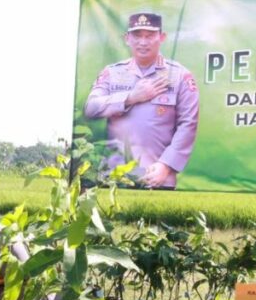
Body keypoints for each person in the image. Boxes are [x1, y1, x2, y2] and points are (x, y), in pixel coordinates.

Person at [84, 12, 199, 190]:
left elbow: (188, 125)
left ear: (161, 37)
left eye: (150, 36)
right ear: (127, 38)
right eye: (137, 36)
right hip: (115, 176)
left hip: (157, 176)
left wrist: (166, 165)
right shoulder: (112, 73)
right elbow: (91, 108)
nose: (143, 42)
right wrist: (130, 97)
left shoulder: (180, 76)